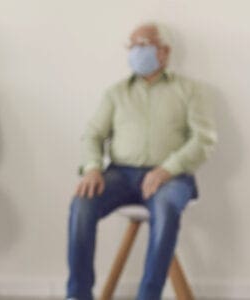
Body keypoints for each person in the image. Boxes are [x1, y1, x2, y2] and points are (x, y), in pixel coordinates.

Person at [66, 22, 217, 300]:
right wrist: (92, 168)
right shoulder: (116, 93)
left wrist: (167, 169)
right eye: (132, 45)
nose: (136, 51)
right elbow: (92, 135)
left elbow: (204, 139)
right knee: (82, 204)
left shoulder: (189, 90)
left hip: (171, 176)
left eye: (143, 44)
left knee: (166, 207)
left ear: (163, 51)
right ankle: (78, 293)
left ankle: (148, 295)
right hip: (120, 174)